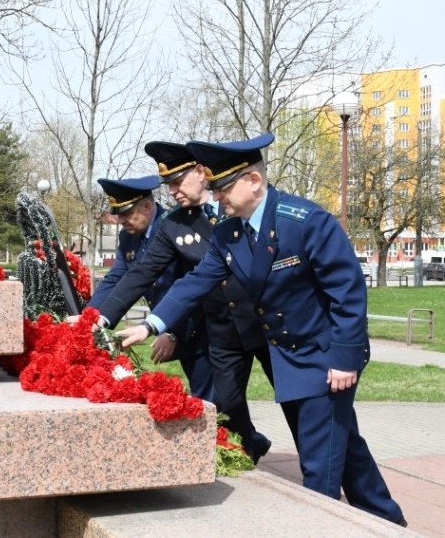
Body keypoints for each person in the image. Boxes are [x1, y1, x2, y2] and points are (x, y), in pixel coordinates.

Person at [117, 133, 407, 527]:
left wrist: (344, 359)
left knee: (318, 463)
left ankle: (316, 527)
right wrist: (153, 323)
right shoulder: (228, 232)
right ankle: (385, 520)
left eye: (223, 187)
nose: (217, 197)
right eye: (214, 188)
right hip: (288, 358)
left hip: (325, 360)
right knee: (344, 445)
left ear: (253, 181)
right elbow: (196, 282)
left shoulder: (304, 222)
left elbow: (347, 292)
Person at [97, 142, 273, 464]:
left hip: (262, 323)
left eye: (178, 182)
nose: (173, 191)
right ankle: (244, 455)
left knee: (299, 404)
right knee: (226, 405)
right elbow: (141, 274)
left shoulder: (238, 204)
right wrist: (99, 318)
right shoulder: (176, 224)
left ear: (200, 172)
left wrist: (172, 331)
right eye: (169, 185)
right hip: (220, 330)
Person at [72, 175, 215, 402]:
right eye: (118, 215)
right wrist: (91, 316)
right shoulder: (129, 236)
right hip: (174, 325)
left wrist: (172, 333)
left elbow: (196, 285)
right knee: (212, 406)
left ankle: (247, 439)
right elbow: (117, 278)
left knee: (215, 405)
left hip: (201, 330)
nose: (121, 221)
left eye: (126, 214)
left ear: (147, 207)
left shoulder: (178, 226)